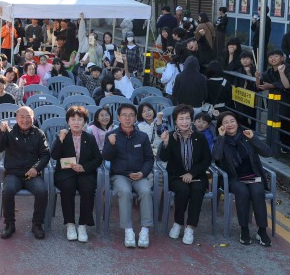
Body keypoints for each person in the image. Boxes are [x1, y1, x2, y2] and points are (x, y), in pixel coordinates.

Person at [212, 111, 272, 246]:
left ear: (237, 123)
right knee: (242, 192)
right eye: (225, 122)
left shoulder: (247, 136)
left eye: (232, 121)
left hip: (253, 176)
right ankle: (244, 229)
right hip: (234, 178)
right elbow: (216, 157)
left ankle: (262, 230)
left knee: (257, 192)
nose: (230, 125)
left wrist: (253, 139)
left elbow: (268, 153)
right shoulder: (219, 140)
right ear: (221, 127)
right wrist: (221, 138)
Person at [156, 104, 212, 245]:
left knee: (197, 190)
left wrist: (192, 173)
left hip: (197, 175)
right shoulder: (170, 136)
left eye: (187, 118)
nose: (184, 122)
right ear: (175, 121)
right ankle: (178, 222)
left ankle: (190, 227)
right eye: (181, 118)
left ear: (192, 120)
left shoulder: (200, 137)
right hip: (176, 176)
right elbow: (163, 158)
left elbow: (207, 159)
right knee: (183, 190)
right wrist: (166, 144)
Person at [0, 106, 50, 240]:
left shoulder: (39, 133)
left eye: (28, 117)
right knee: (8, 190)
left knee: (42, 191)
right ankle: (9, 224)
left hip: (32, 174)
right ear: (16, 118)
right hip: (13, 174)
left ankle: (37, 224)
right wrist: (1, 132)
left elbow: (45, 155)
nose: (25, 120)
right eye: (22, 117)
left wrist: (36, 168)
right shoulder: (9, 132)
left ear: (33, 118)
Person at [101, 103, 154, 248]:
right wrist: (111, 144)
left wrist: (143, 172)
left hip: (139, 174)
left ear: (135, 117)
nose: (128, 118)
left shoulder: (142, 137)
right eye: (124, 115)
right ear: (118, 117)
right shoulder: (111, 135)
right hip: (120, 175)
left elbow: (150, 158)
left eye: (131, 115)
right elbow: (106, 157)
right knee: (124, 191)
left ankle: (144, 229)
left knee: (146, 191)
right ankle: (128, 230)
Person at [51, 106, 102, 243]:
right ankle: (70, 224)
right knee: (67, 187)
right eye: (73, 119)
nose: (76, 122)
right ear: (68, 121)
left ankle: (82, 225)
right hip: (65, 173)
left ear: (85, 122)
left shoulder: (90, 138)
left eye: (80, 119)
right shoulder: (63, 136)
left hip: (84, 172)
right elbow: (55, 155)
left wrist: (84, 167)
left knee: (88, 187)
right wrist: (60, 140)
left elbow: (98, 159)